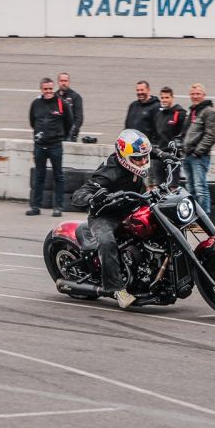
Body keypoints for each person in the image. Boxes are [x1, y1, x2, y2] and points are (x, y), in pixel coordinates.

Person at [69, 129, 154, 308]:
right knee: (107, 242)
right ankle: (117, 289)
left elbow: (148, 152)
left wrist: (164, 155)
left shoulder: (135, 158)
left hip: (132, 207)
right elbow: (79, 194)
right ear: (124, 157)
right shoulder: (109, 172)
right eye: (138, 159)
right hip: (106, 215)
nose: (143, 162)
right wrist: (93, 198)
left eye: (145, 157)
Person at [27, 77, 73, 216]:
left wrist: (59, 135)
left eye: (50, 89)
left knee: (58, 176)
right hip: (40, 146)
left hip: (55, 146)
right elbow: (32, 121)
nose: (48, 91)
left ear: (54, 89)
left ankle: (58, 207)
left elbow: (69, 122)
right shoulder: (36, 103)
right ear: (41, 89)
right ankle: (36, 206)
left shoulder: (61, 103)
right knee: (39, 176)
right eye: (45, 89)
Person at [182, 83, 215, 215]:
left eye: (198, 94)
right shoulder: (192, 111)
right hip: (187, 156)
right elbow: (186, 133)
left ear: (204, 95)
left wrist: (198, 152)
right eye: (193, 94)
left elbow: (211, 136)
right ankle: (193, 217)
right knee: (190, 189)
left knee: (200, 189)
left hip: (199, 157)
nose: (195, 96)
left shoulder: (209, 112)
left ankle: (204, 218)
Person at [151, 86, 187, 187]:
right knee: (159, 187)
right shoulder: (158, 115)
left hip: (172, 157)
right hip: (159, 157)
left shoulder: (180, 114)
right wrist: (155, 150)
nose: (164, 100)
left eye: (167, 97)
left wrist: (177, 151)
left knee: (172, 186)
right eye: (162, 98)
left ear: (172, 97)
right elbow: (154, 135)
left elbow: (183, 135)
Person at [57, 72, 83, 142]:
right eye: (61, 81)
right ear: (58, 82)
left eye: (65, 81)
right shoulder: (55, 96)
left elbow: (79, 119)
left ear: (69, 82)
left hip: (70, 136)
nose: (63, 83)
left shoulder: (75, 97)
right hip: (56, 135)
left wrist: (71, 134)